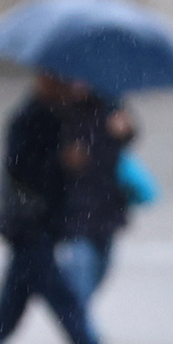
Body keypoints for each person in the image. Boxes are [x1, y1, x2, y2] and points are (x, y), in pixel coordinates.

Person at [0, 73, 148, 344]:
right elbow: (21, 171)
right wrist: (61, 164)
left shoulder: (66, 112)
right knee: (69, 315)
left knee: (4, 322)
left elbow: (107, 141)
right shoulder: (30, 118)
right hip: (33, 234)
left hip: (39, 234)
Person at [58, 95, 142, 307]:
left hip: (107, 206)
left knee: (101, 268)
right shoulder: (64, 108)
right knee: (80, 274)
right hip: (75, 209)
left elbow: (129, 137)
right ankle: (81, 327)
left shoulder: (111, 103)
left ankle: (78, 320)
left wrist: (126, 128)